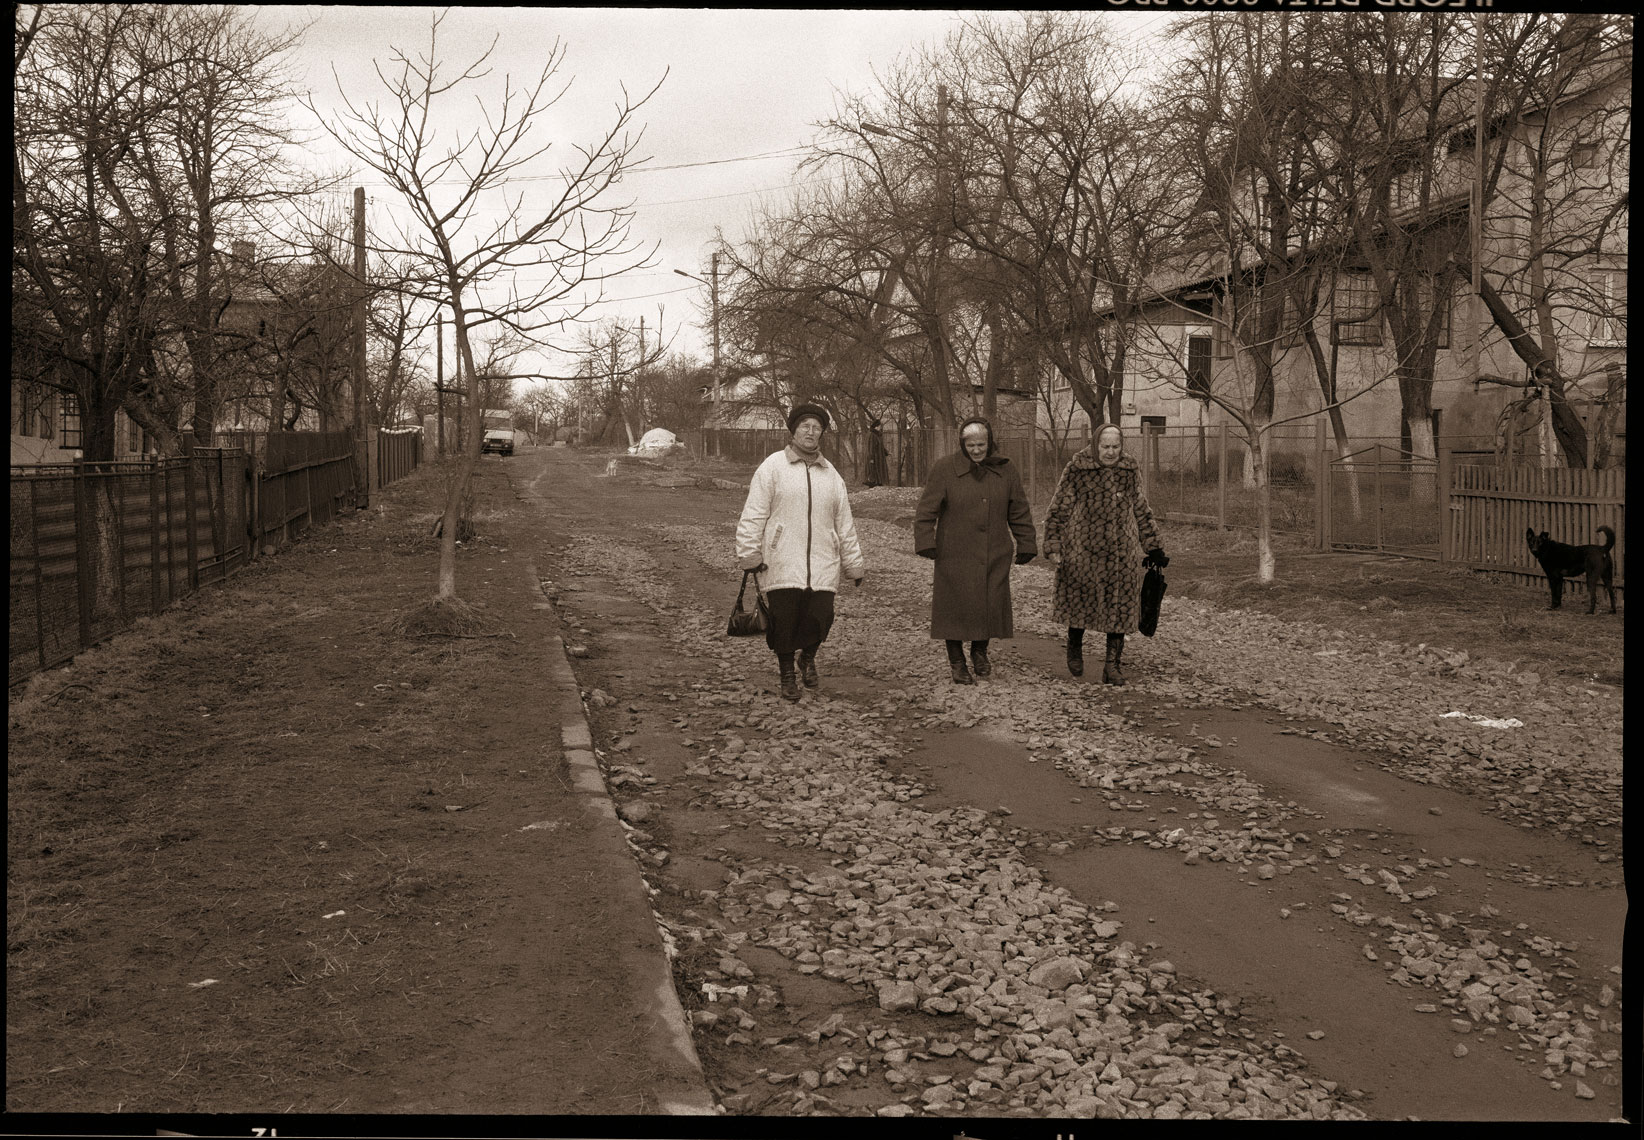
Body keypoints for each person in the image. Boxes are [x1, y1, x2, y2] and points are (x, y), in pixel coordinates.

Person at [735, 404, 866, 701]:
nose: (810, 431)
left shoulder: (831, 474)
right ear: (793, 430)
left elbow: (844, 522)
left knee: (822, 617)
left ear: (822, 432)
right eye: (805, 426)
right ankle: (787, 675)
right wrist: (749, 551)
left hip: (823, 561)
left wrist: (853, 563)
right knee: (784, 620)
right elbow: (754, 513)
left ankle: (806, 657)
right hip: (781, 561)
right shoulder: (773, 467)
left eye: (816, 427)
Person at [1042, 424, 1167, 685]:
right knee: (1080, 603)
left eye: (1116, 447)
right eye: (1106, 447)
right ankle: (1074, 644)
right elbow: (1059, 507)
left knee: (1120, 608)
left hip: (1121, 552)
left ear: (1121, 447)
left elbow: (1140, 505)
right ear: (1096, 445)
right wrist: (1054, 544)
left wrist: (1153, 545)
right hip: (1082, 550)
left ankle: (1112, 666)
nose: (1111, 452)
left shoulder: (1129, 469)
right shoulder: (1078, 468)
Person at [915, 417, 1037, 684]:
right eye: (970, 445)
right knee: (954, 608)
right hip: (954, 552)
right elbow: (926, 510)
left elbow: (1018, 508)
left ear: (990, 442)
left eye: (981, 444)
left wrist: (1026, 541)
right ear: (962, 444)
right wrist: (925, 540)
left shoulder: (1006, 469)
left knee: (990, 604)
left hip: (994, 550)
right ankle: (957, 662)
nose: (977, 450)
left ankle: (980, 652)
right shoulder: (945, 468)